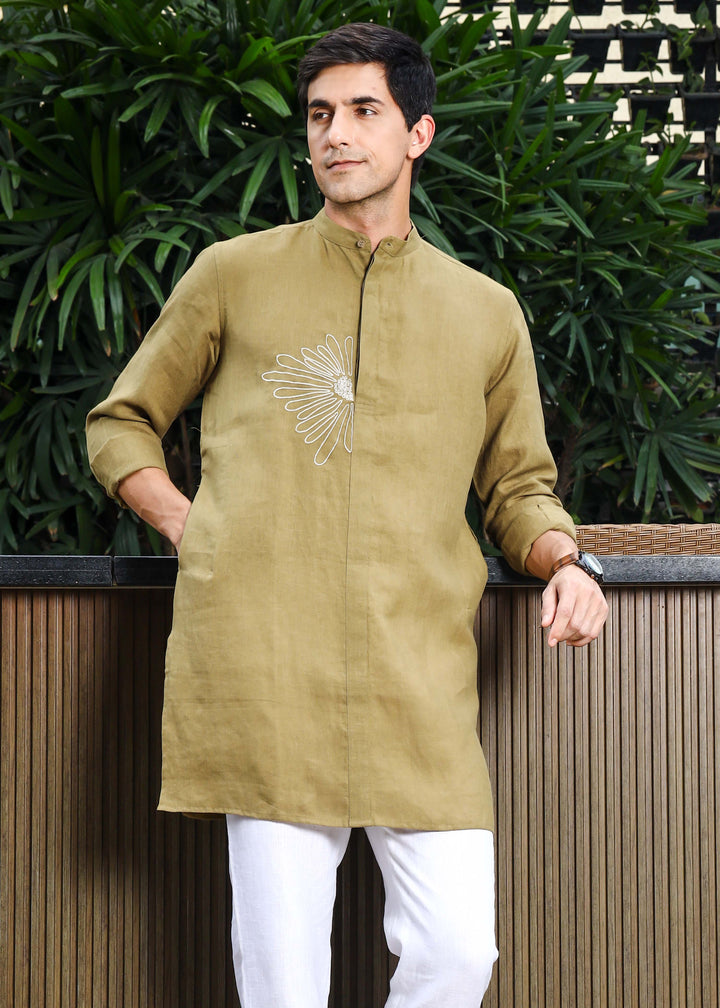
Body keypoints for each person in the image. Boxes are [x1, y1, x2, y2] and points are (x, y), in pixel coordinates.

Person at [86, 21, 608, 1008]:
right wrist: (186, 523)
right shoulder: (234, 274)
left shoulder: (484, 311)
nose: (335, 134)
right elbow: (121, 422)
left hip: (418, 682)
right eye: (321, 114)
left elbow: (518, 489)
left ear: (418, 133)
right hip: (265, 671)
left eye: (364, 112)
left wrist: (568, 563)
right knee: (282, 985)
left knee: (461, 954)